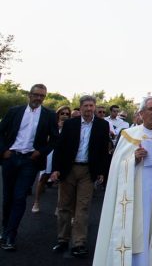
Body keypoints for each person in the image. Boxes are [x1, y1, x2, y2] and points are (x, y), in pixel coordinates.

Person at [94, 97, 152, 266]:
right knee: (135, 226)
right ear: (141, 113)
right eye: (151, 109)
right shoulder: (129, 135)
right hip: (134, 190)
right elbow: (117, 166)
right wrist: (132, 159)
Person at [50, 94, 111, 258]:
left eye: (92, 106)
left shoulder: (102, 125)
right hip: (68, 169)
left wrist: (102, 172)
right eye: (86, 106)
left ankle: (79, 243)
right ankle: (62, 240)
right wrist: (55, 169)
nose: (89, 109)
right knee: (64, 206)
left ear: (95, 107)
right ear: (81, 107)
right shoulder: (70, 124)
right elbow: (59, 148)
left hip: (87, 171)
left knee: (82, 207)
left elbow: (103, 152)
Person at [0, 83, 59, 251]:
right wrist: (4, 151)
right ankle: (5, 230)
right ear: (29, 95)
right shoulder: (14, 111)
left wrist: (40, 152)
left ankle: (10, 235)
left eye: (42, 96)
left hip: (30, 161)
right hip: (11, 158)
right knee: (8, 197)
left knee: (19, 198)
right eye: (36, 95)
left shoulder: (48, 115)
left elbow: (55, 138)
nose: (39, 98)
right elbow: (1, 132)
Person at [31, 105, 71, 213]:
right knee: (43, 177)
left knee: (62, 181)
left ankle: (59, 206)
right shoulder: (51, 124)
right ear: (58, 114)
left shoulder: (70, 126)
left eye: (67, 114)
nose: (64, 116)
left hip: (62, 155)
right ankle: (36, 202)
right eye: (62, 113)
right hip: (50, 153)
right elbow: (46, 138)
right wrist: (58, 127)